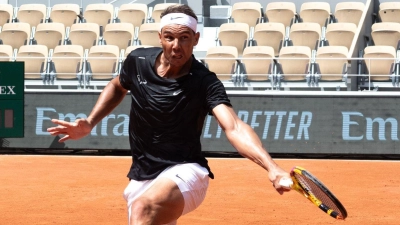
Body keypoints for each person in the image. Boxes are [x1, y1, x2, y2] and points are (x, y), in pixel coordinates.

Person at [47, 4, 291, 225]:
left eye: (184, 38)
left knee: (144, 209)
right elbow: (118, 85)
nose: (177, 46)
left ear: (196, 39)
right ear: (160, 37)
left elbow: (234, 127)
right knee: (143, 212)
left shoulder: (204, 82)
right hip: (143, 175)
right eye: (170, 37)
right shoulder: (137, 60)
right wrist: (90, 122)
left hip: (187, 172)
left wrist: (271, 167)